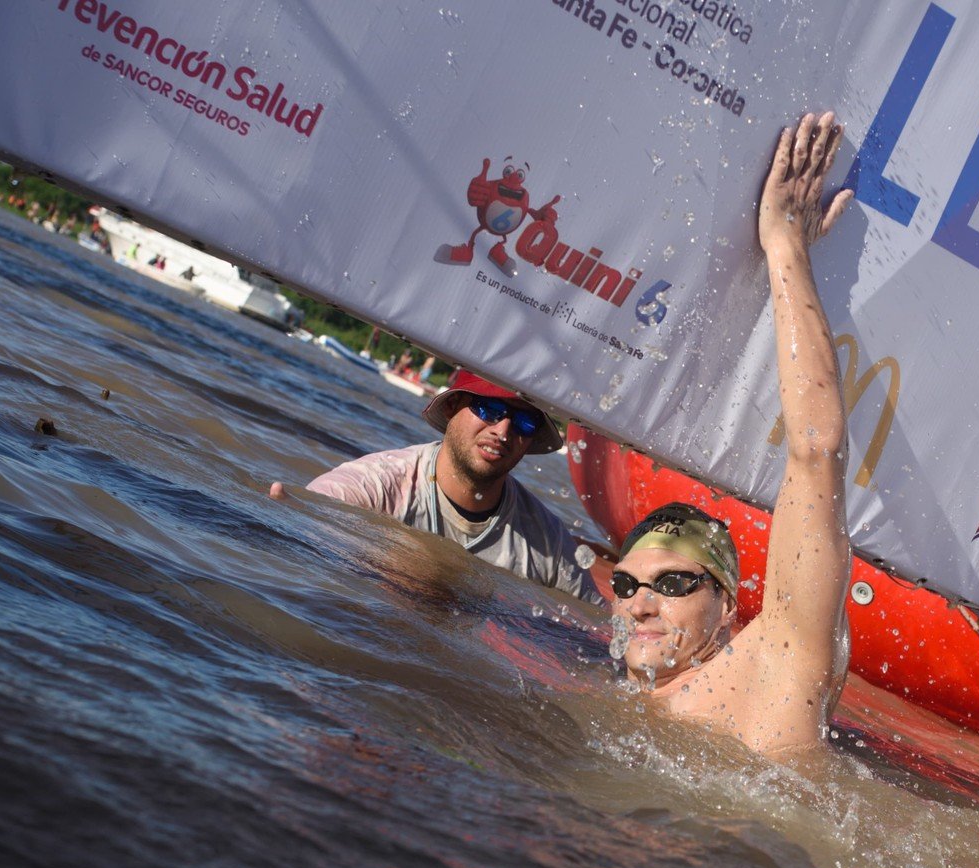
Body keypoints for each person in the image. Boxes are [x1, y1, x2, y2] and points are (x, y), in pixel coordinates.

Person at [609, 112, 855, 754]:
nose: (639, 606)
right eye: (628, 585)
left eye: (671, 585)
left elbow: (817, 451)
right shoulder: (625, 706)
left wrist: (785, 247)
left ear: (726, 609)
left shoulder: (770, 671)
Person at [272, 371, 601, 605]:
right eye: (490, 409)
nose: (503, 430)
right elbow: (294, 548)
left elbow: (590, 633)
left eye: (524, 422)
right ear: (451, 407)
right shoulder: (374, 485)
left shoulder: (550, 545)